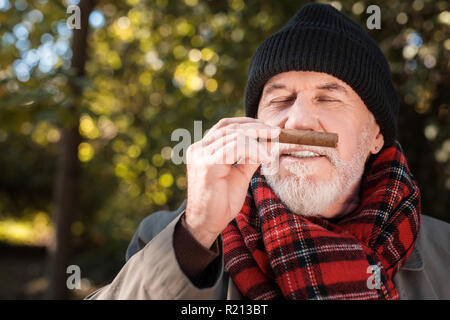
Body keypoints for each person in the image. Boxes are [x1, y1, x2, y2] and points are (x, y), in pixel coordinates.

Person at [86, 3, 450, 300]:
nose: (298, 122)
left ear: (375, 135)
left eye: (328, 98)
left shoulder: (444, 253)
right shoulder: (174, 237)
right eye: (281, 99)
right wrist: (195, 235)